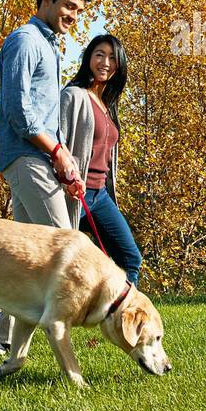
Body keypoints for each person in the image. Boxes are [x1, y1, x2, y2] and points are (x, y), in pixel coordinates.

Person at [0, 0, 91, 355]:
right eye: (68, 6)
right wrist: (57, 153)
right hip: (24, 155)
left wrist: (62, 162)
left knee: (28, 256)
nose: (73, 15)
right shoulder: (25, 40)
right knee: (66, 248)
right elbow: (18, 112)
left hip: (40, 158)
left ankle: (1, 333)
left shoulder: (50, 46)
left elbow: (43, 115)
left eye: (79, 11)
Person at [58, 35, 142, 285]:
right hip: (71, 194)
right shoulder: (72, 96)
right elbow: (57, 142)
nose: (105, 62)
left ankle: (122, 318)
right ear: (88, 58)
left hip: (99, 196)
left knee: (129, 258)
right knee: (53, 264)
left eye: (113, 58)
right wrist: (65, 180)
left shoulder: (108, 105)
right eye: (99, 55)